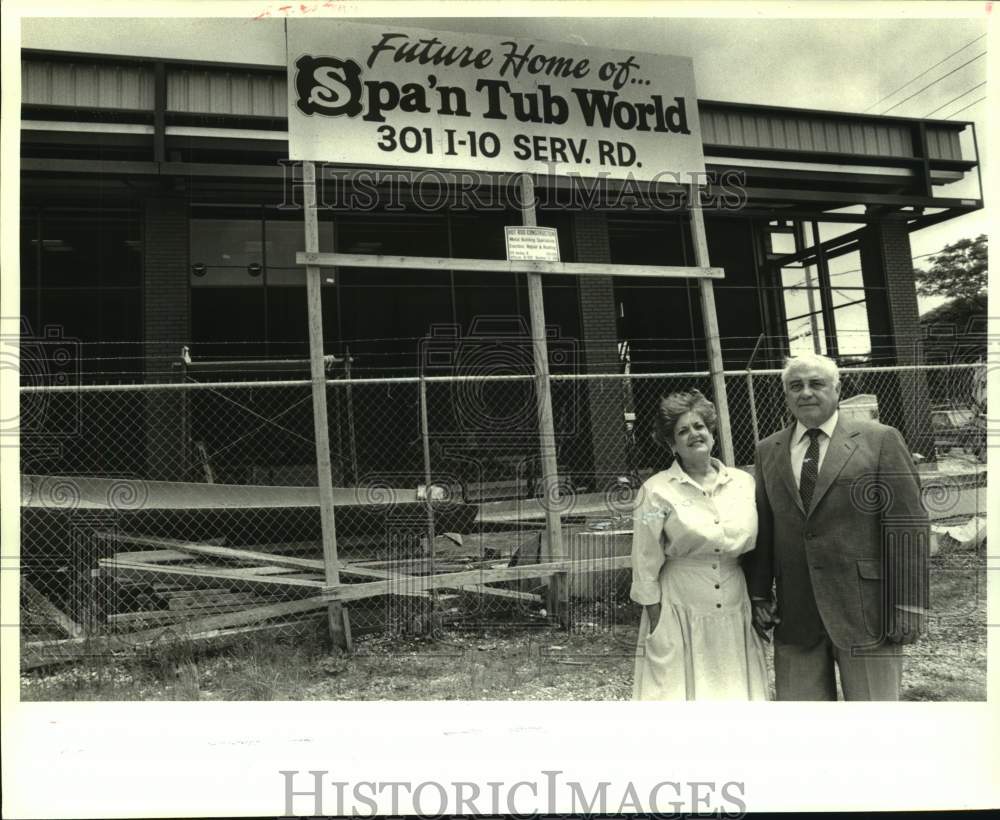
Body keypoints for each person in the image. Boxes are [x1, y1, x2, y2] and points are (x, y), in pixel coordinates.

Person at [745, 353, 929, 701]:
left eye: (816, 384)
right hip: (796, 614)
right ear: (785, 395)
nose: (806, 393)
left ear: (837, 389)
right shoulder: (768, 450)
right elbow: (764, 526)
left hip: (866, 610)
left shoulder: (881, 440)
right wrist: (757, 593)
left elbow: (908, 525)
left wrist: (910, 602)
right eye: (795, 386)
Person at [630, 389, 769, 700]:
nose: (693, 434)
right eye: (682, 431)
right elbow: (644, 559)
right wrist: (657, 622)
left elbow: (758, 547)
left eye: (699, 426)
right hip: (680, 606)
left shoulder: (744, 483)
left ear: (711, 432)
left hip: (735, 603)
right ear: (671, 443)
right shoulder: (655, 491)